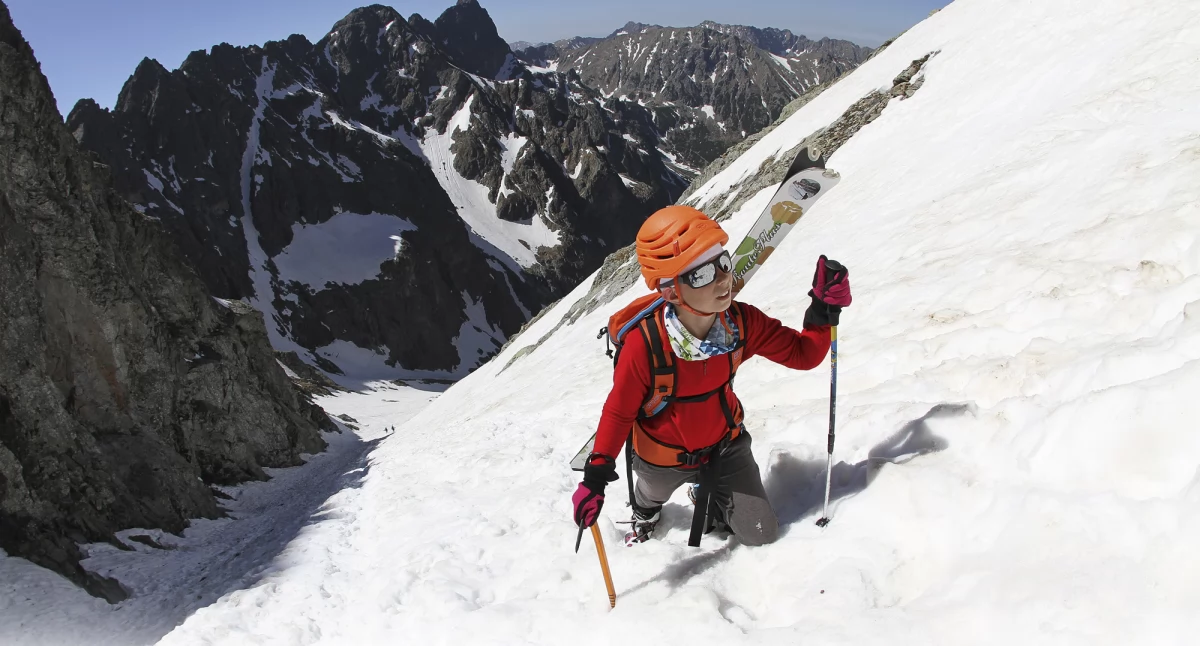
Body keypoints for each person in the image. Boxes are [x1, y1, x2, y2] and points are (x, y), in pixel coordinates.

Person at [571, 204, 851, 546]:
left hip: (725, 448)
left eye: (723, 263)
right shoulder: (645, 345)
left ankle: (712, 497)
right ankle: (646, 510)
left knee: (761, 534)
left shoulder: (741, 322)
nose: (724, 279)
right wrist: (595, 477)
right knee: (650, 493)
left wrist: (822, 312)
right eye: (701, 275)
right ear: (670, 290)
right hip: (661, 457)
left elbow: (802, 355)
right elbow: (619, 410)